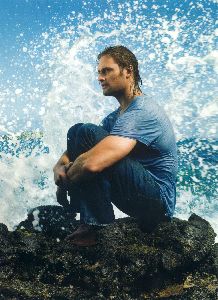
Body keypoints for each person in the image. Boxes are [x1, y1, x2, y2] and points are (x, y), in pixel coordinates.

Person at [53, 45, 178, 246]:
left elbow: (91, 164)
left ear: (128, 71)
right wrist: (59, 166)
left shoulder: (143, 111)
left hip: (158, 206)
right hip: (138, 199)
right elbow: (78, 150)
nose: (100, 78)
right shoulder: (116, 117)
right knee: (77, 131)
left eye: (106, 71)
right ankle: (89, 222)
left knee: (85, 133)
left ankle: (96, 228)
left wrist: (65, 182)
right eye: (99, 72)